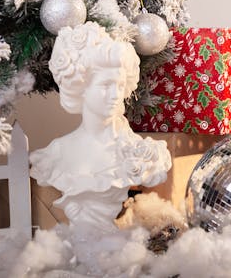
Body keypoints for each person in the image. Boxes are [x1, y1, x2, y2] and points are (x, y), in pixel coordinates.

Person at [29, 21, 171, 233]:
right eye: (105, 85)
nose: (115, 95)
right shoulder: (56, 154)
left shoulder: (143, 152)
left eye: (120, 86)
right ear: (82, 86)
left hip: (119, 253)